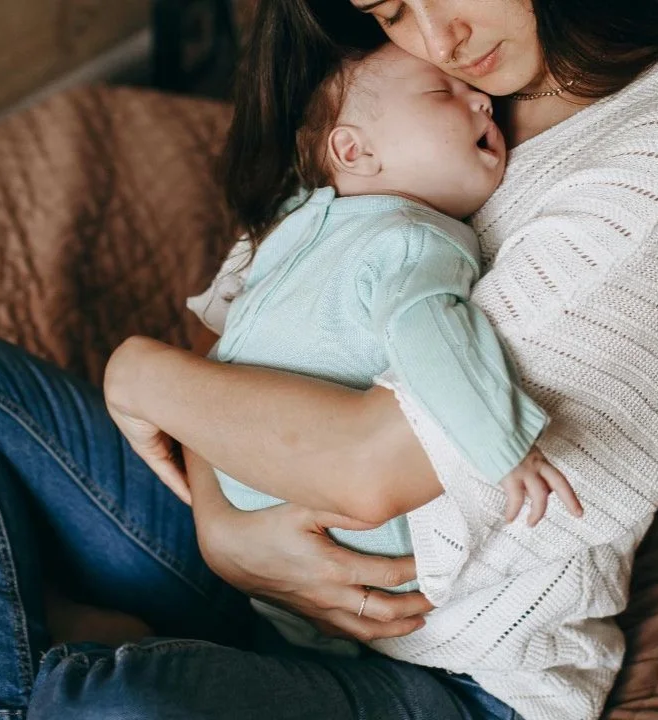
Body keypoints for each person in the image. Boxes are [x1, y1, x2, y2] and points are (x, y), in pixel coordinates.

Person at [0, 1, 658, 719]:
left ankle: (103, 677)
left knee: (114, 708)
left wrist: (135, 371)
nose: (440, 39)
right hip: (247, 569)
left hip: (442, 665)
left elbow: (371, 472)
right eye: (387, 8)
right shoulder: (383, 103)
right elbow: (233, 355)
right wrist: (225, 535)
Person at [156, 41, 582, 658]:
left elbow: (433, 332)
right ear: (354, 150)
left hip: (338, 538)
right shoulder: (306, 215)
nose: (484, 99)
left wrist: (503, 443)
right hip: (255, 511)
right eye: (444, 93)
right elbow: (218, 325)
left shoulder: (416, 239)